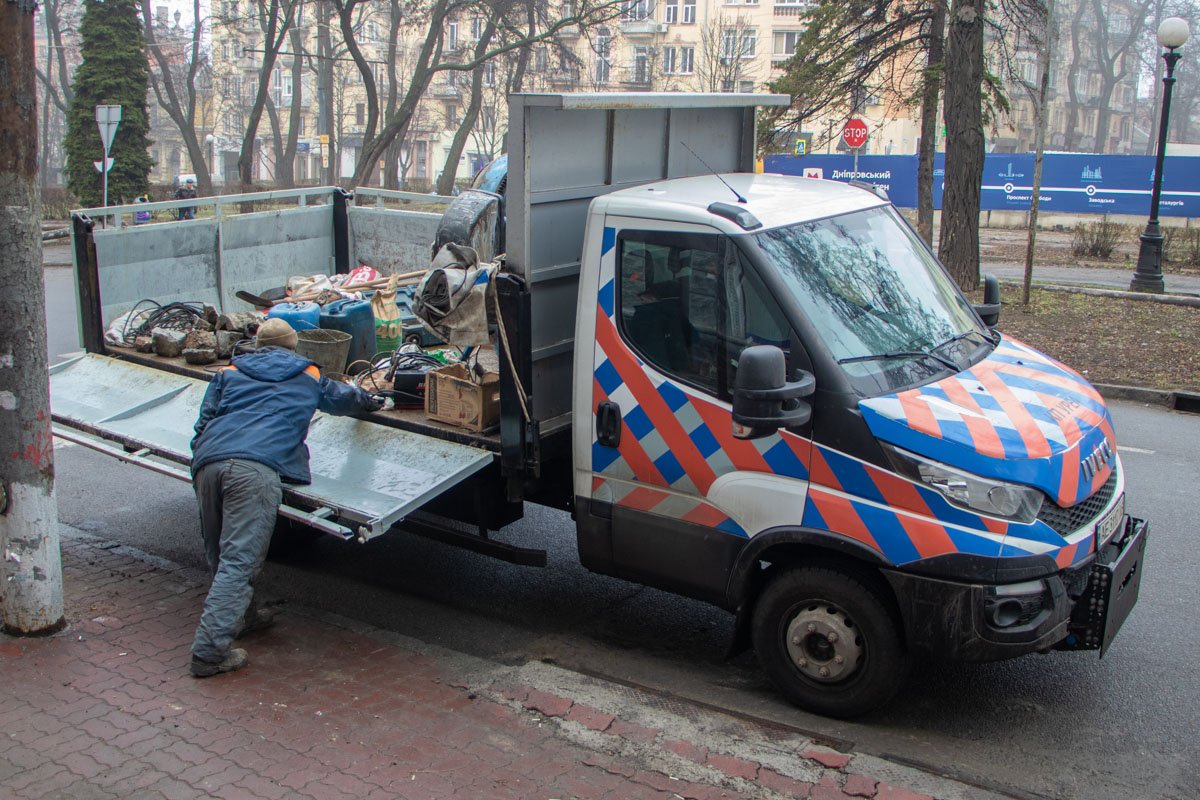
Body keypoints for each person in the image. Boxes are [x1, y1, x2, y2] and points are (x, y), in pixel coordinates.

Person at [188, 318, 384, 677]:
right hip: (256, 469)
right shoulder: (306, 373)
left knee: (220, 552)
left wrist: (206, 456)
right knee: (239, 562)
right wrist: (372, 401)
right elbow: (344, 399)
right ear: (294, 346)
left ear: (258, 346)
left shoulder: (229, 372)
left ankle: (243, 618)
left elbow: (204, 423)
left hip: (209, 464)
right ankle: (208, 654)